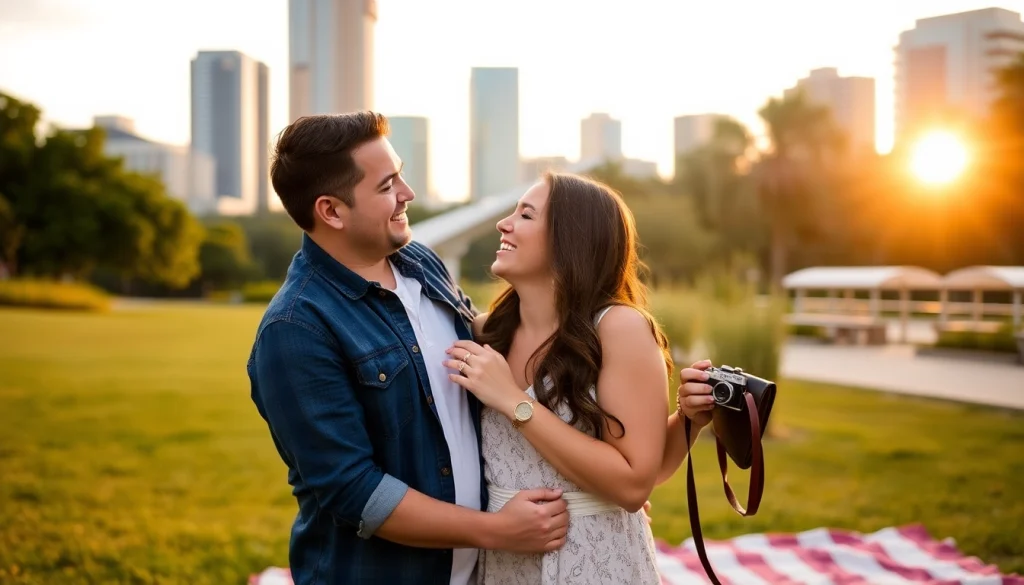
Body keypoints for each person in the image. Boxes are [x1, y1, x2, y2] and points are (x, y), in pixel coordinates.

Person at [246, 112, 571, 585]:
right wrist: (497, 531)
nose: (407, 193)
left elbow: (486, 353)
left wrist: (592, 479)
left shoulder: (417, 260)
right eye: (385, 186)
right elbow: (356, 491)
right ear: (331, 211)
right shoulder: (296, 329)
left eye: (399, 174)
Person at [440, 172, 717, 584]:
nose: (504, 224)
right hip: (503, 562)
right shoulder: (487, 333)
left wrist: (513, 400)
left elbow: (632, 485)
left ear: (569, 239)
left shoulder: (619, 329)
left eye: (526, 215)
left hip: (593, 560)